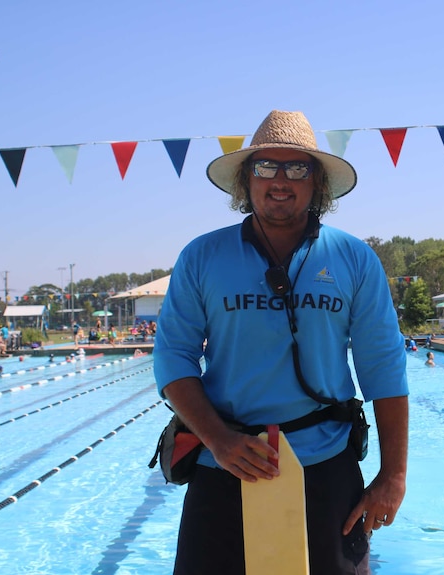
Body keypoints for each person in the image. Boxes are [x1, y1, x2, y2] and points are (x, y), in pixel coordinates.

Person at [153, 110, 409, 575]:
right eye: (266, 167)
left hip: (326, 465)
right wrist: (221, 440)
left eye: (297, 168)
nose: (280, 181)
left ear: (317, 183)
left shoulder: (354, 259)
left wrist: (393, 476)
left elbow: (385, 368)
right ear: (245, 180)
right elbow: (172, 359)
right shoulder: (202, 257)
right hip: (223, 465)